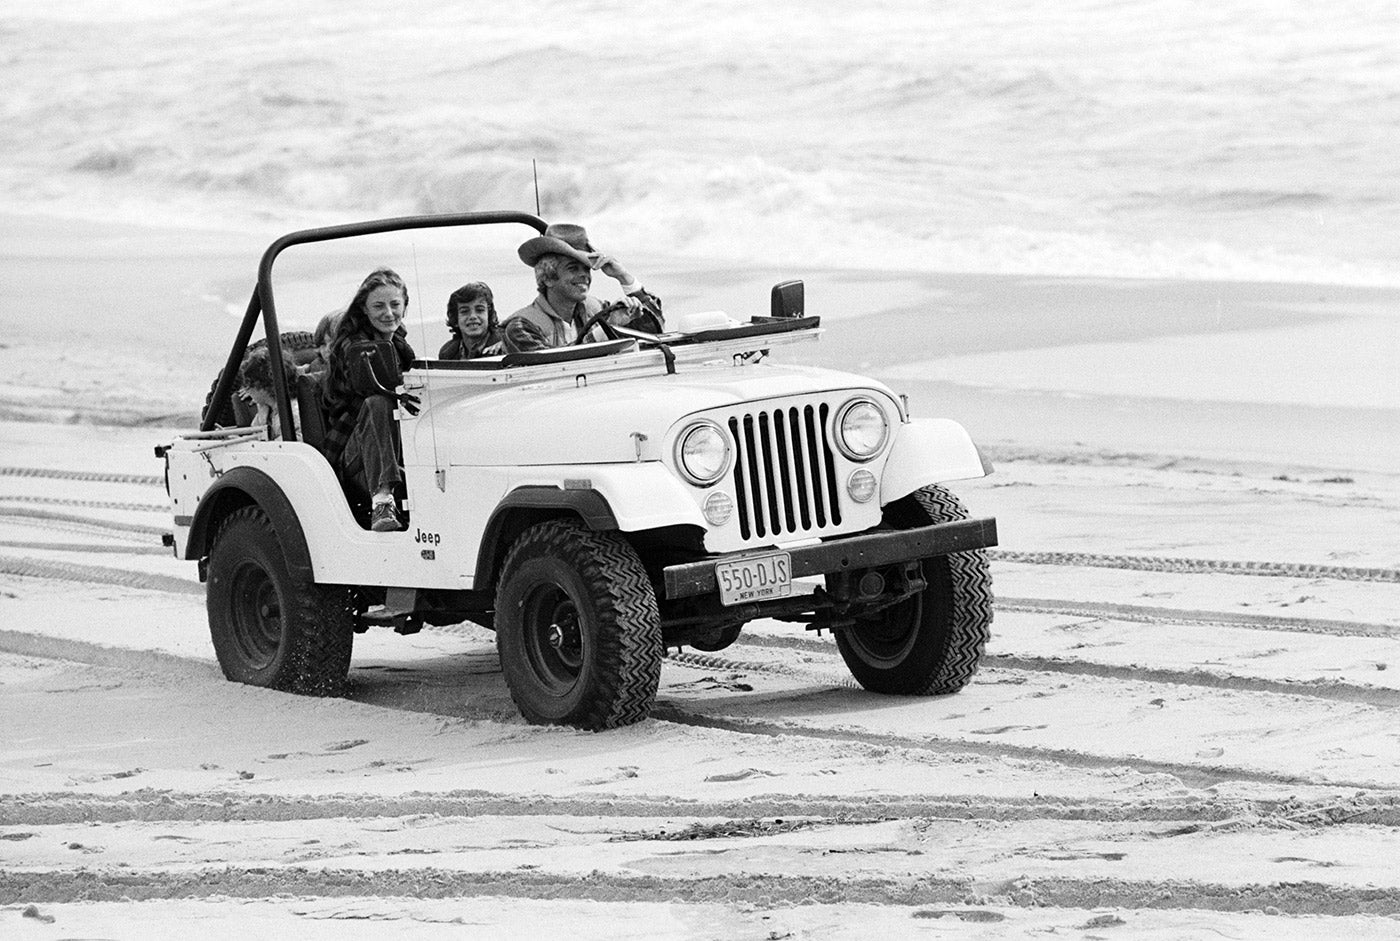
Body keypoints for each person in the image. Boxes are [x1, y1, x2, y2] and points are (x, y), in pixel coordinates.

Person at [321, 268, 416, 532]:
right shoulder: (354, 345)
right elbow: (376, 388)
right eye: (379, 306)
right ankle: (382, 500)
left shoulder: (400, 343)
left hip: (394, 445)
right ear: (364, 308)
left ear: (404, 306)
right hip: (355, 451)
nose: (388, 313)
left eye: (395, 304)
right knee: (379, 403)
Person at [502, 223, 663, 352]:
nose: (584, 275)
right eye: (573, 268)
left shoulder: (598, 309)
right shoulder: (521, 327)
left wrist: (623, 277)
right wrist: (608, 329)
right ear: (549, 278)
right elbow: (555, 365)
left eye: (586, 268)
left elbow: (656, 331)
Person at [237, 345, 300, 439]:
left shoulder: (294, 413)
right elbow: (255, 435)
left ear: (263, 386)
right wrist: (238, 441)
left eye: (249, 385)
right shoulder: (265, 409)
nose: (247, 390)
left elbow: (297, 441)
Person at [439, 281, 503, 359]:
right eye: (465, 311)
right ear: (455, 319)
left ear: (489, 315)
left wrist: (506, 344)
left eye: (479, 310)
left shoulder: (504, 346)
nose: (473, 316)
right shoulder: (447, 353)